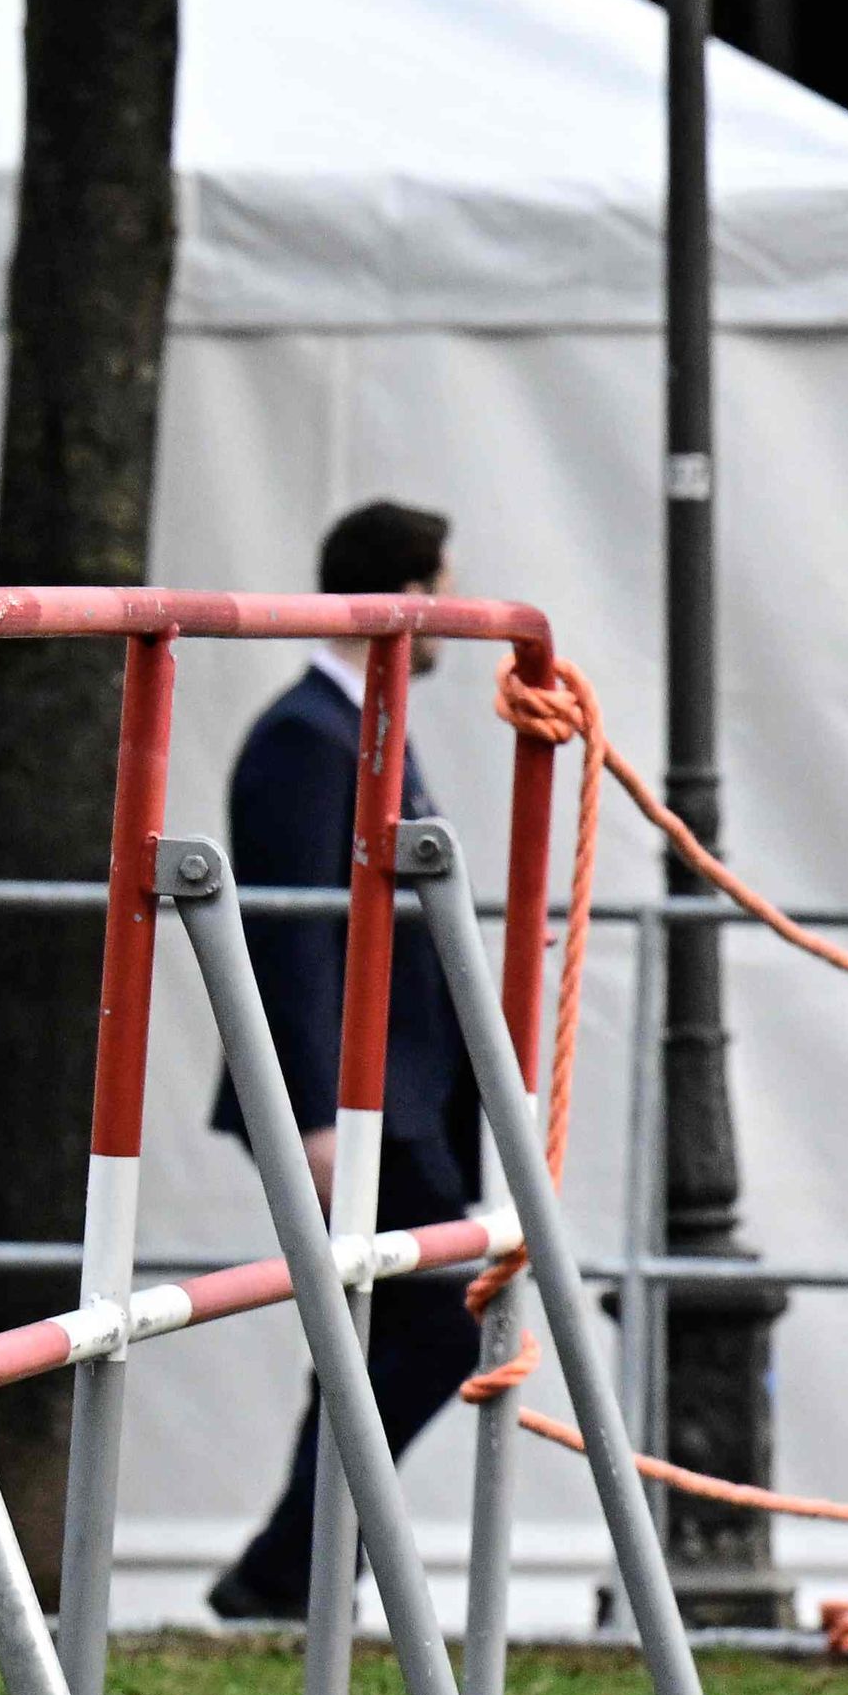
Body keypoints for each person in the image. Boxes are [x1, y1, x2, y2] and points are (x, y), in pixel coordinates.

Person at [203, 502, 492, 1627]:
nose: (453, 615)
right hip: (358, 1101)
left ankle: (295, 1571)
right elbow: (293, 936)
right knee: (431, 1323)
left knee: (381, 1333)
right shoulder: (308, 738)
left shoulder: (359, 730)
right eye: (441, 590)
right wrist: (319, 1113)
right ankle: (288, 1569)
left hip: (397, 1095)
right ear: (402, 598)